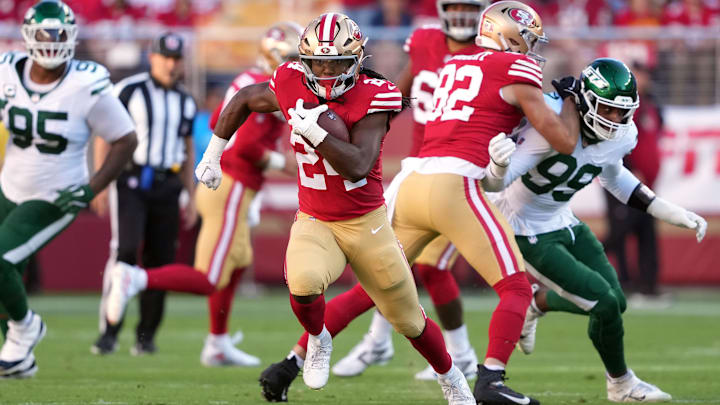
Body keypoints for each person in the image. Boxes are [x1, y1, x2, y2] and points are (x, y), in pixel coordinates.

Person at [260, 3, 581, 404]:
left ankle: (293, 361)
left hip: (412, 179)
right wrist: (568, 100)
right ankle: (491, 380)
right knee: (517, 287)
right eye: (526, 40)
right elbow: (565, 141)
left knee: (377, 287)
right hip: (455, 183)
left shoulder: (452, 62)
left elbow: (398, 100)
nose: (531, 49)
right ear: (509, 38)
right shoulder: (512, 69)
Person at [196, 12, 475, 405]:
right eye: (318, 63)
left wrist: (314, 131)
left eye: (337, 63)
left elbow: (358, 164)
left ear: (357, 61)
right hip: (316, 219)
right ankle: (318, 338)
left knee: (409, 320)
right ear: (304, 61)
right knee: (303, 283)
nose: (326, 72)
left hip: (367, 223)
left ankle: (452, 378)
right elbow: (244, 98)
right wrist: (214, 152)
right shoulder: (292, 79)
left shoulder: (376, 95)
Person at [482, 58, 706, 402]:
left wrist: (672, 212)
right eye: (608, 109)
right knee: (602, 303)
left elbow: (615, 178)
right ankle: (621, 384)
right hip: (524, 229)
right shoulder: (550, 122)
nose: (615, 119)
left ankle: (538, 302)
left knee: (616, 302)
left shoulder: (620, 136)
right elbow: (495, 184)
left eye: (622, 111)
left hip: (563, 219)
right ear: (585, 100)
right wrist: (498, 165)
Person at [102, 22, 302, 367]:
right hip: (231, 185)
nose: (302, 66)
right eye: (297, 58)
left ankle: (218, 342)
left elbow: (216, 126)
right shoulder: (264, 84)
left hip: (226, 185)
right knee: (208, 278)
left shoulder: (245, 81)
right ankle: (134, 277)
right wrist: (288, 164)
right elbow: (249, 147)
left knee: (239, 261)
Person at [333, 0, 487, 382]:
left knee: (427, 266)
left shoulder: (491, 54)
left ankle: (448, 351)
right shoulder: (425, 42)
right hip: (420, 169)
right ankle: (395, 342)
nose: (464, 17)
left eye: (472, 9)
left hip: (462, 173)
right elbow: (397, 96)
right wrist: (365, 130)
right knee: (391, 257)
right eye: (457, 7)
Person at [0, 0, 137, 377]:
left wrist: (91, 188)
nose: (52, 42)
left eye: (59, 34)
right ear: (28, 36)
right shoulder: (7, 72)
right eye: (45, 34)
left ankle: (26, 327)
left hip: (57, 193)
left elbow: (125, 139)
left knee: (0, 261)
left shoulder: (85, 83)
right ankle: (20, 358)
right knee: (4, 273)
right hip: (9, 185)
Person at [91, 32, 198, 356]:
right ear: (152, 57)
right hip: (132, 181)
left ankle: (146, 335)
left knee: (160, 262)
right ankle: (109, 331)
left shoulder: (186, 100)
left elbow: (187, 146)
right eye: (166, 57)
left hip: (168, 184)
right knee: (124, 251)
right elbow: (104, 135)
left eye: (177, 59)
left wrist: (190, 194)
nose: (171, 64)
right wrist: (99, 182)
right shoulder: (129, 90)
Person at [603, 62, 664, 304]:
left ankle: (648, 285)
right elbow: (615, 140)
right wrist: (630, 170)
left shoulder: (652, 105)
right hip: (623, 180)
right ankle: (577, 266)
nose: (643, 78)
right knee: (620, 231)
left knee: (646, 231)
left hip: (645, 184)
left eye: (645, 74)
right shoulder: (621, 106)